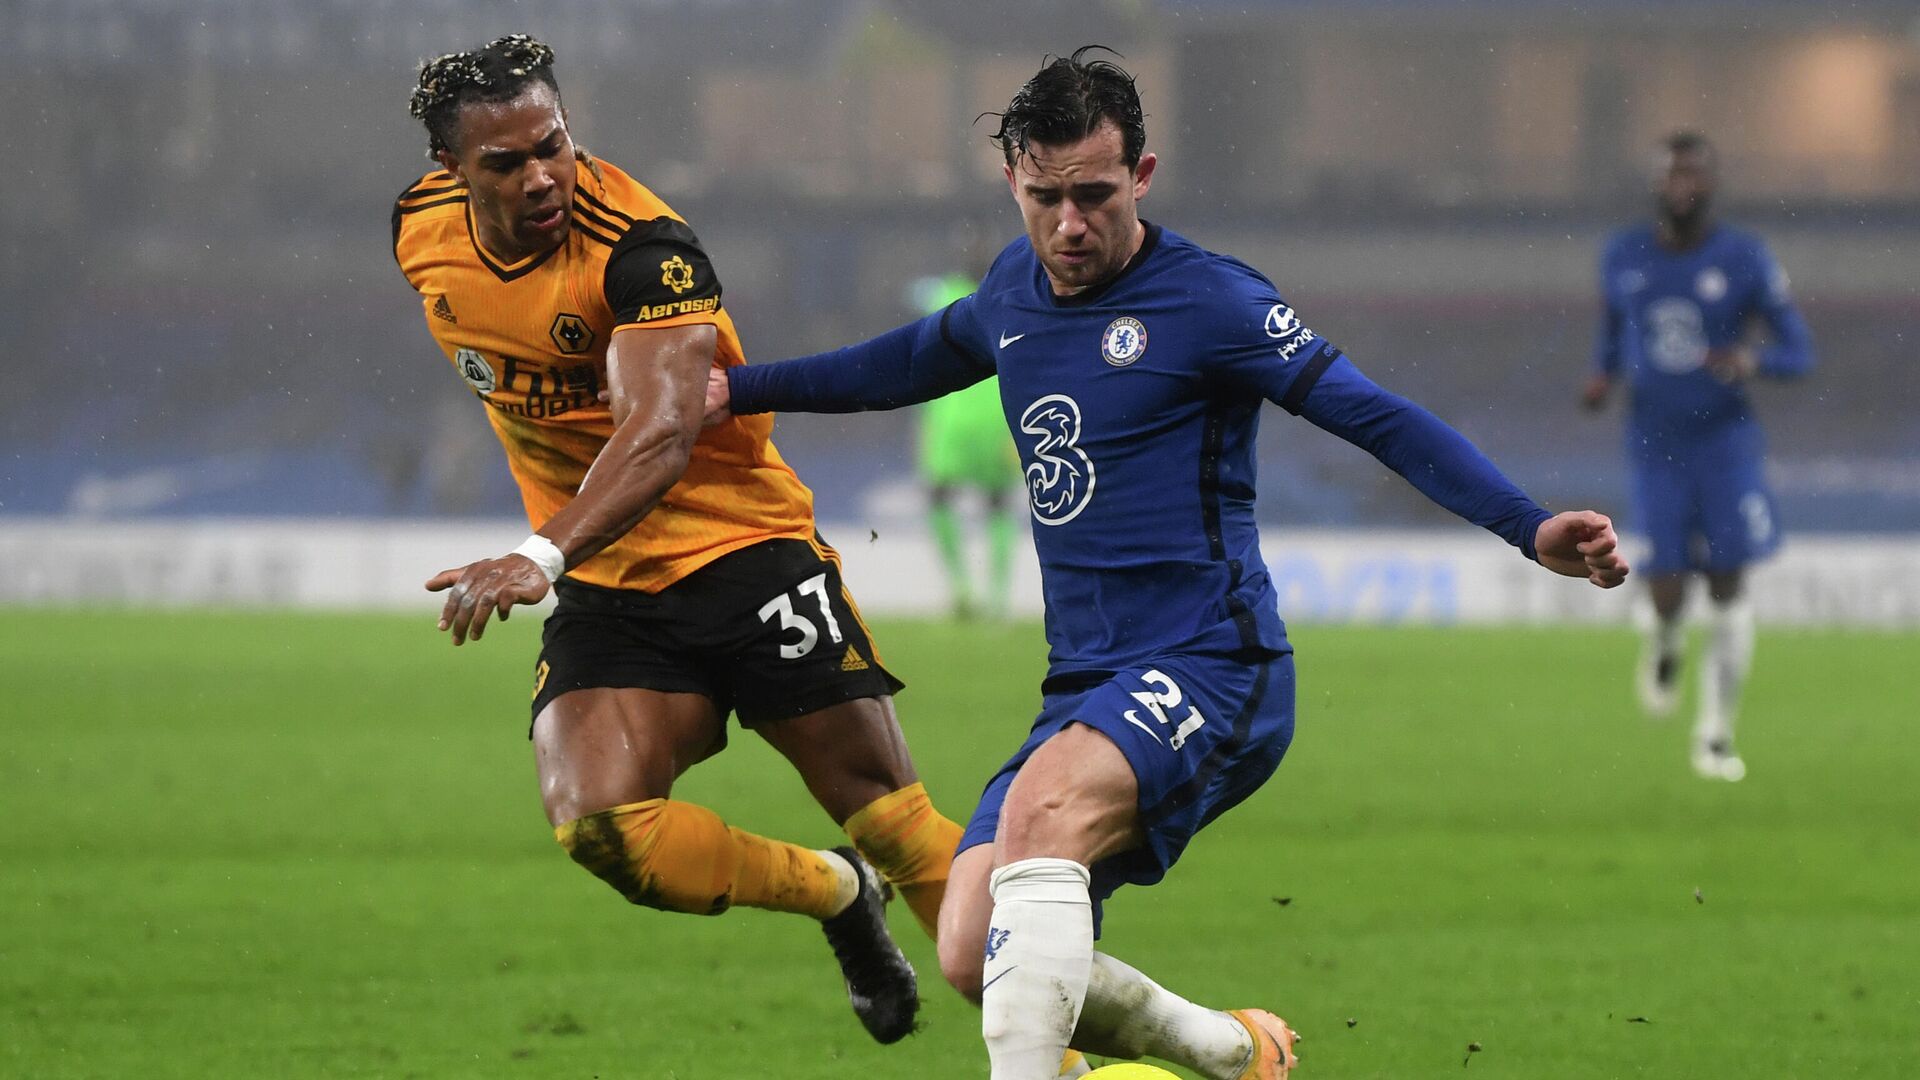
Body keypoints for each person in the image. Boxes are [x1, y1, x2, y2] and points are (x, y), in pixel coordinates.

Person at [705, 47, 1630, 1080]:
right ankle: (1232, 1052)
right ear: (1013, 179)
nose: (1068, 226)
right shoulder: (1015, 287)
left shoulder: (1212, 303)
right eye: (1045, 197)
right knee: (973, 949)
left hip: (1212, 662)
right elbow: (904, 362)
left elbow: (1374, 415)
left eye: (1095, 196)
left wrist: (1526, 525)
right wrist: (733, 391)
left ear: (1141, 176)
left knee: (1044, 817)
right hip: (1086, 683)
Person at [392, 35, 965, 1044]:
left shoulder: (643, 249)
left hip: (742, 548)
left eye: (552, 145)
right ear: (451, 173)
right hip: (613, 577)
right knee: (606, 829)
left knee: (895, 822)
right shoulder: (417, 231)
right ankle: (836, 895)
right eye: (506, 163)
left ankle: (1068, 1061)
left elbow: (657, 435)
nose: (541, 177)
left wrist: (535, 556)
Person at [1582, 131, 1814, 782]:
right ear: (1656, 185)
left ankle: (1714, 733)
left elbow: (1801, 351)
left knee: (1728, 578)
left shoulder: (1744, 258)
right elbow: (1611, 330)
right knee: (1666, 586)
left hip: (1725, 442)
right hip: (1654, 443)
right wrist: (1601, 375)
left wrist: (1753, 359)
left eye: (1694, 176)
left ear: (1710, 186)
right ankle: (1663, 642)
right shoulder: (1623, 256)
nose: (1682, 186)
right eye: (1671, 175)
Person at [909, 267, 1023, 620]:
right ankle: (998, 602)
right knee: (999, 504)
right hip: (999, 419)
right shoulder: (1014, 299)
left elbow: (912, 290)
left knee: (939, 496)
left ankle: (961, 588)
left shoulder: (944, 294)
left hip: (952, 419)